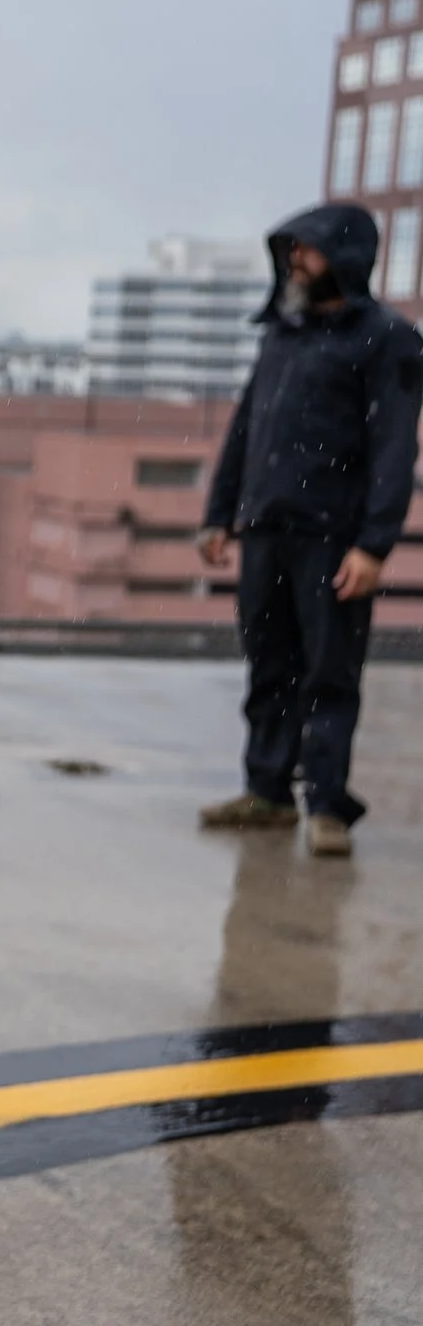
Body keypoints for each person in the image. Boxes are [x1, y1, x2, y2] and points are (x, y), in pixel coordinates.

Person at [197, 205, 423, 858]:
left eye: (310, 250)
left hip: (334, 537)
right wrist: (218, 514)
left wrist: (374, 544)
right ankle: (267, 790)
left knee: (329, 672)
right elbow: (246, 428)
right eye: (292, 249)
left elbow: (392, 450)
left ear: (345, 256)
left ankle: (326, 805)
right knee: (269, 664)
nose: (296, 260)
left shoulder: (389, 339)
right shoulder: (282, 333)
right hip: (266, 527)